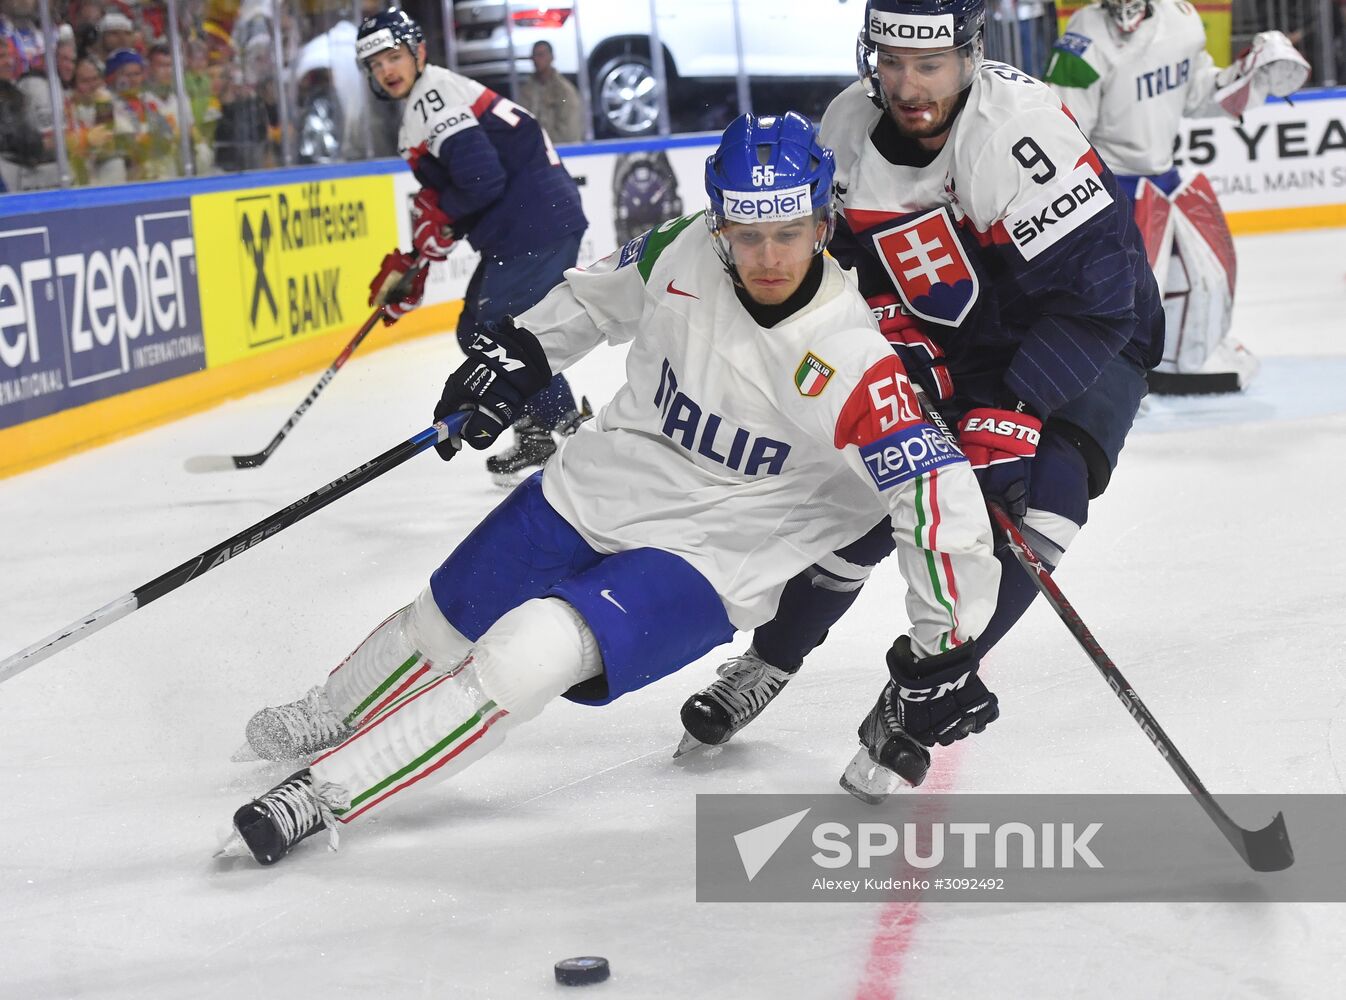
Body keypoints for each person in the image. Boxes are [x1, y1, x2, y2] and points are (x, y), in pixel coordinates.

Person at [223, 111, 1002, 866]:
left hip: (717, 550)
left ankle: (325, 796)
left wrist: (944, 647)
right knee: (441, 621)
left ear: (821, 225)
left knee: (527, 655)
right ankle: (330, 713)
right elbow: (594, 300)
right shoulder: (684, 247)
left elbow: (937, 499)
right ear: (718, 222)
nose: (768, 256)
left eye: (788, 233)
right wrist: (520, 355)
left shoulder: (848, 356)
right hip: (606, 481)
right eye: (746, 233)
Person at [674, 0, 1164, 777]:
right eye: (892, 61)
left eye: (929, 64)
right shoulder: (845, 125)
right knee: (877, 493)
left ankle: (925, 686)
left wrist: (1014, 411)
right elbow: (848, 273)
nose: (908, 85)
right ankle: (771, 657)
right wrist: (896, 344)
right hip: (958, 341)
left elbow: (1096, 298)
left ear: (969, 55)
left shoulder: (1018, 133)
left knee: (1041, 510)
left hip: (1088, 332)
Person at [357, 9, 591, 487]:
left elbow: (482, 178)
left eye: (394, 56)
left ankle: (572, 438)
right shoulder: (433, 95)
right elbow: (473, 185)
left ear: (418, 52)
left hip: (533, 223)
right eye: (376, 64)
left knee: (503, 335)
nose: (387, 70)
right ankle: (541, 430)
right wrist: (428, 245)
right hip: (527, 222)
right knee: (478, 330)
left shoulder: (432, 96)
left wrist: (440, 222)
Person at [1044, 0, 1309, 393]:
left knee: (1203, 277)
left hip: (1163, 180)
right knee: (1112, 295)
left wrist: (1247, 79)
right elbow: (1062, 128)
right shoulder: (1084, 36)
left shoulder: (1183, 21)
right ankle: (1107, 378)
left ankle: (1172, 359)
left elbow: (1198, 94)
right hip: (1108, 184)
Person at [516, 40, 584, 144]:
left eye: (541, 55)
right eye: (534, 56)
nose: (536, 60)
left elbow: (570, 131)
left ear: (551, 57)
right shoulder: (526, 91)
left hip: (558, 148)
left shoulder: (564, 92)